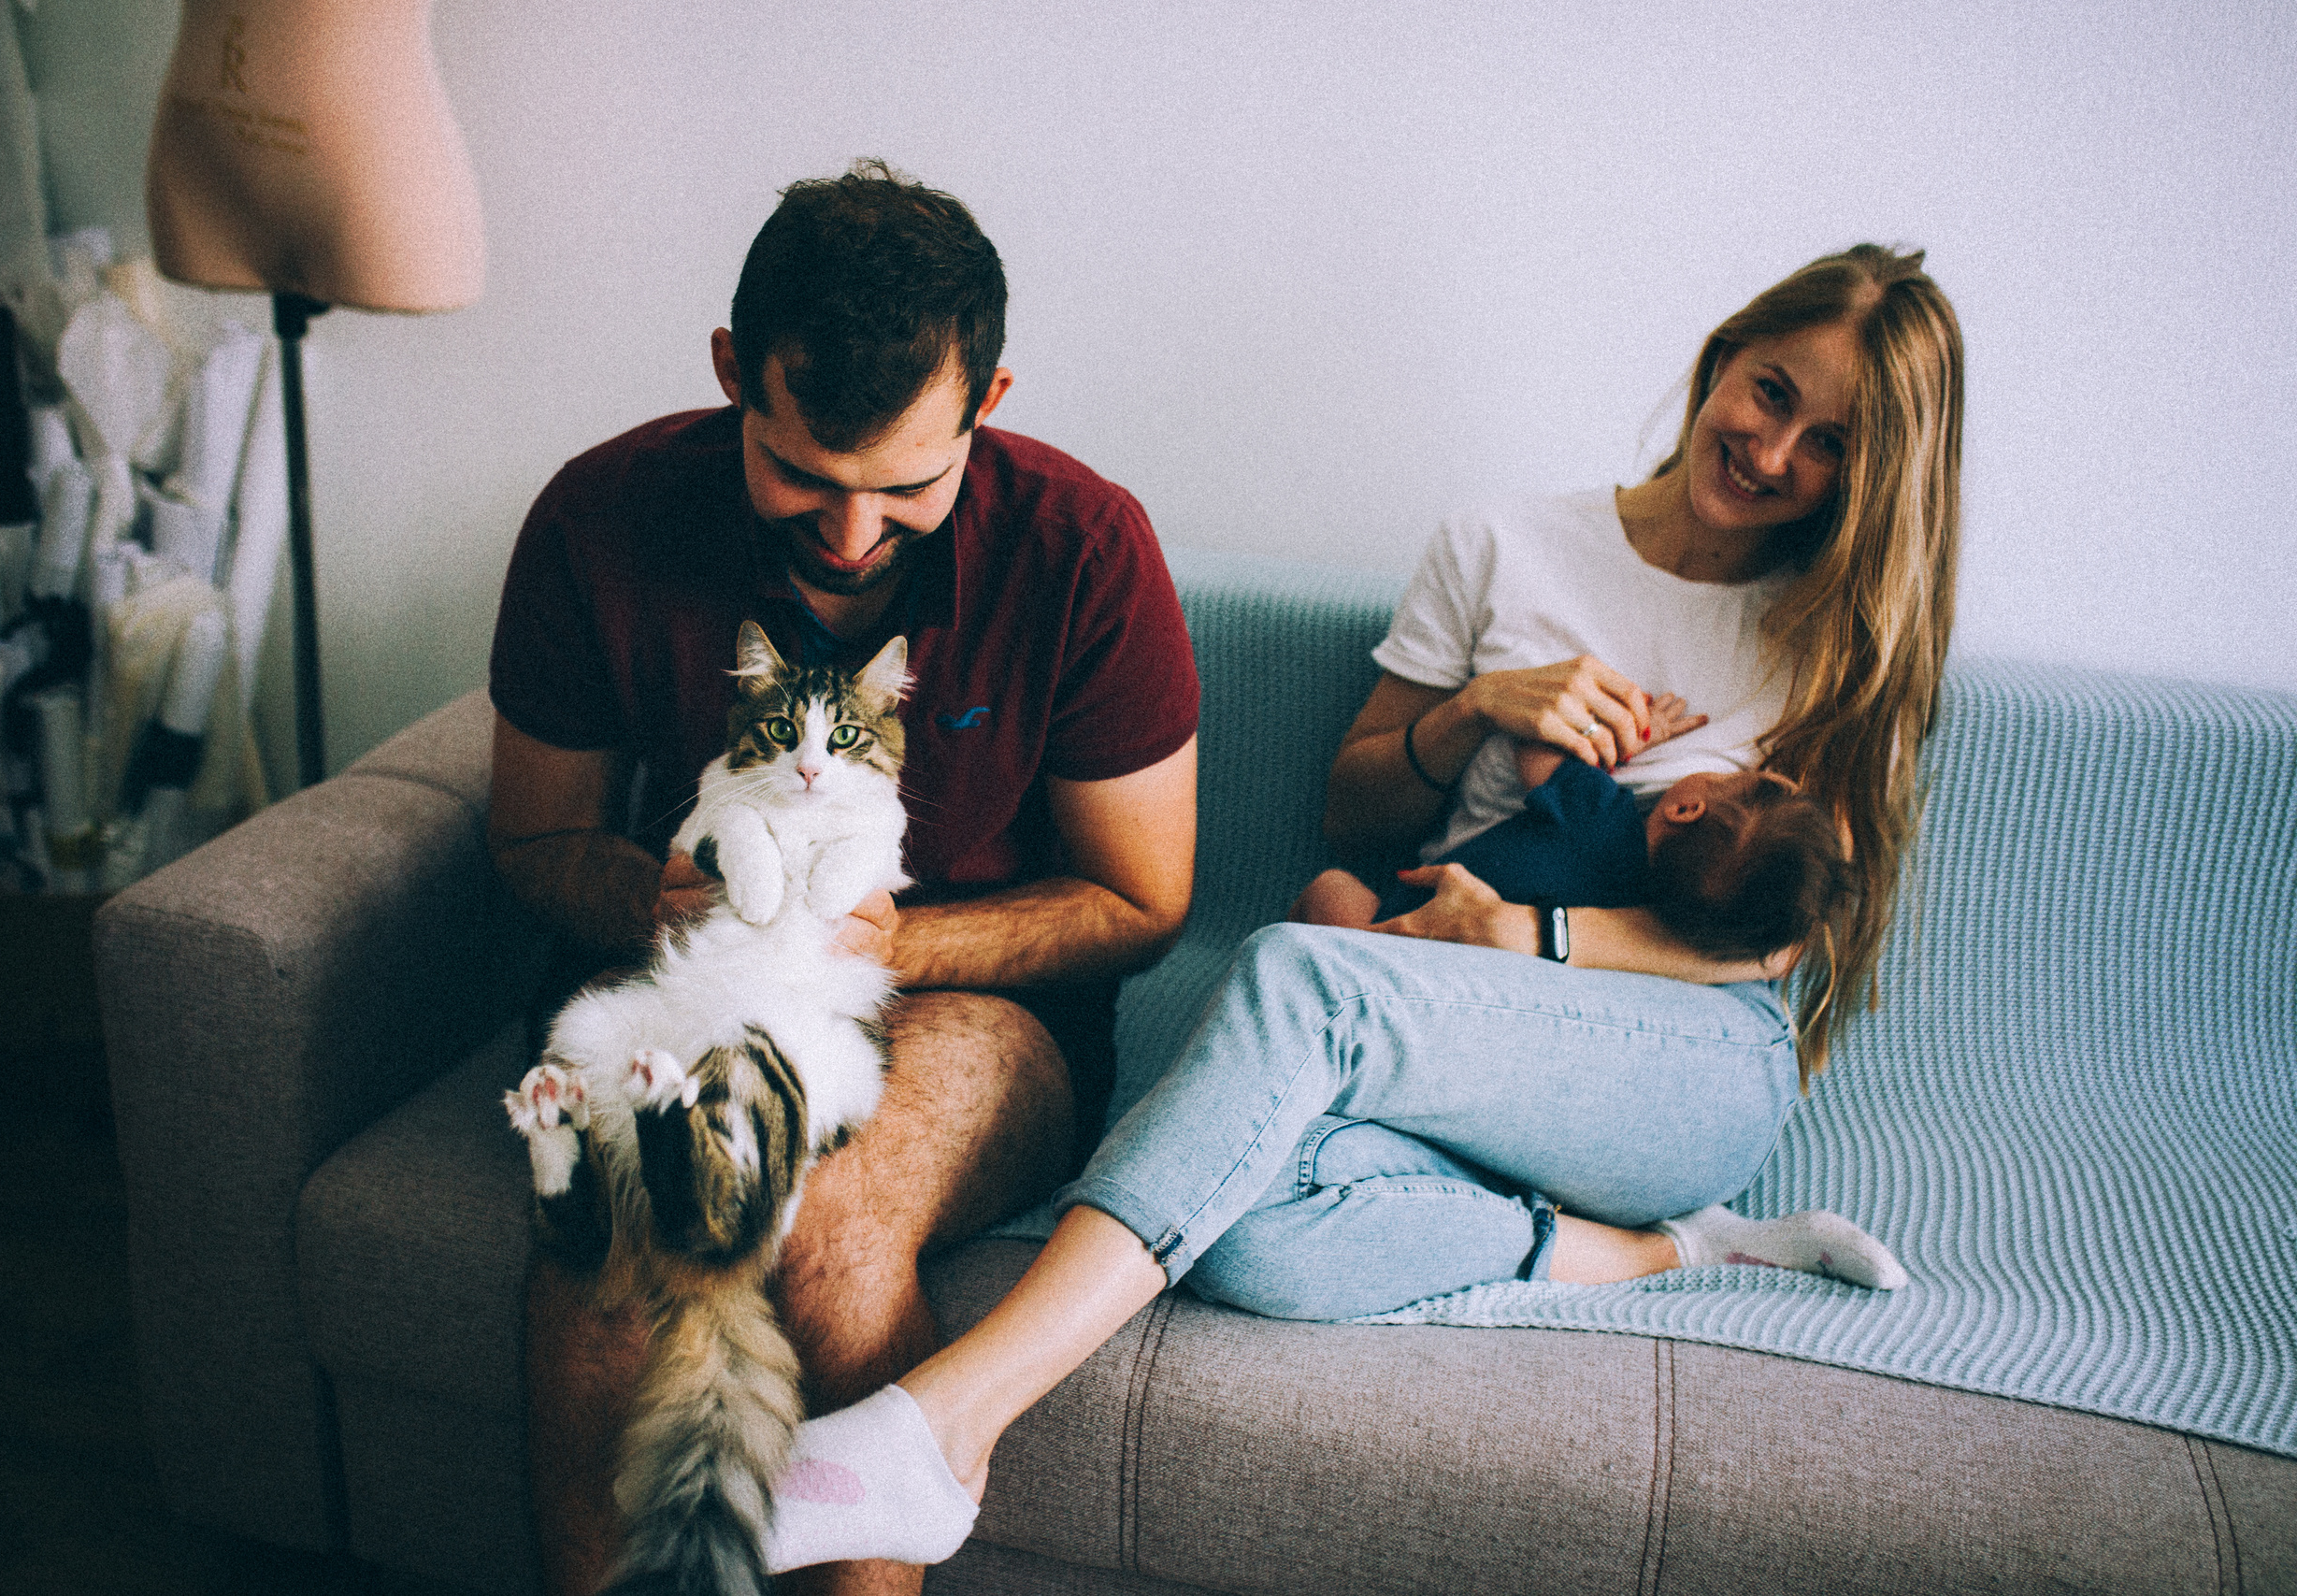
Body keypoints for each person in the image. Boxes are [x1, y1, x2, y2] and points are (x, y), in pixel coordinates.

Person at [737, 242, 1965, 1576]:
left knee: (1301, 971)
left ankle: (938, 1427)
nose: (1775, 448)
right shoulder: (1505, 543)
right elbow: (1358, 818)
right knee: (1243, 1226)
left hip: (1685, 1056)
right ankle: (1658, 1252)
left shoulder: (1839, 630)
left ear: (1868, 478)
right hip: (1440, 1035)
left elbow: (1783, 935)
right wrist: (1477, 711)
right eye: (1772, 391)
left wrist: (1528, 935)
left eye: (1830, 443)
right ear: (1727, 351)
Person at [483, 160, 1200, 1596]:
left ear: (987, 405)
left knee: (831, 1223)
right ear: (734, 373)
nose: (854, 531)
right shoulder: (601, 515)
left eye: (907, 485)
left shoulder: (1082, 548)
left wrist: (899, 942)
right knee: (624, 1241)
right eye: (805, 474)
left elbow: (1142, 901)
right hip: (692, 980)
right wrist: (648, 897)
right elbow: (532, 838)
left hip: (969, 998)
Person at [1294, 726, 1856, 970]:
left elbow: (1535, 744)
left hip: (1404, 927)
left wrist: (1624, 743)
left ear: (1686, 807)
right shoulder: (1639, 917)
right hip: (1466, 989)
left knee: (1331, 890)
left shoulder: (1602, 814)